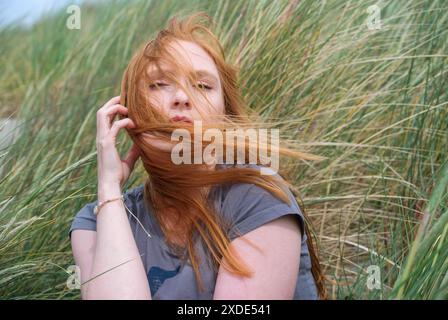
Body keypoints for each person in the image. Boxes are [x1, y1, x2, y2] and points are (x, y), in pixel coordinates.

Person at [69, 12, 327, 300]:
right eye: (158, 84)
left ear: (225, 115)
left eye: (203, 85)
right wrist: (109, 189)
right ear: (127, 113)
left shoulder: (260, 196)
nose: (181, 96)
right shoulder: (95, 223)